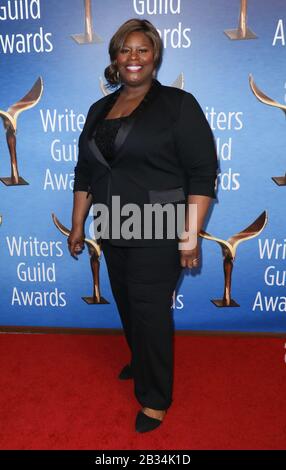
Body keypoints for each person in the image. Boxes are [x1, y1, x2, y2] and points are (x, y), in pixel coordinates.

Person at [68, 18, 218, 433]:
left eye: (142, 50)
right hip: (113, 226)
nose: (133, 58)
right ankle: (141, 359)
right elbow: (85, 173)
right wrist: (78, 225)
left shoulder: (178, 105)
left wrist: (190, 238)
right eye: (125, 50)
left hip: (160, 227)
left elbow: (203, 172)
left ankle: (155, 399)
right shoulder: (99, 109)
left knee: (150, 313)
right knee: (128, 305)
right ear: (115, 57)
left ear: (155, 57)